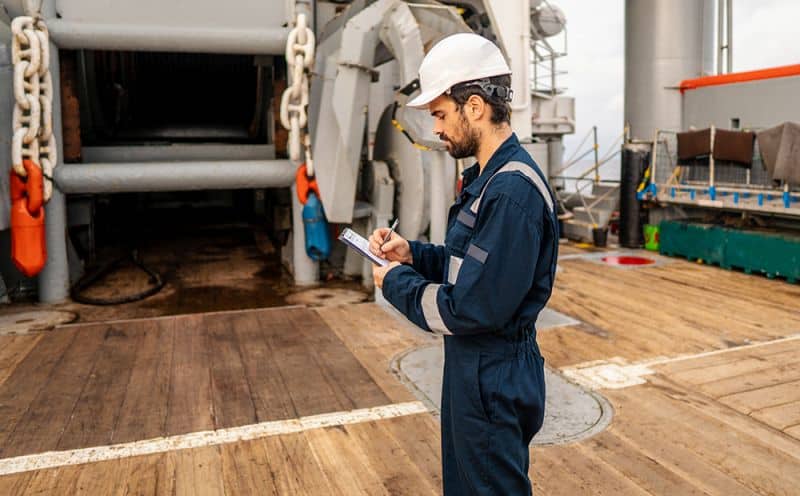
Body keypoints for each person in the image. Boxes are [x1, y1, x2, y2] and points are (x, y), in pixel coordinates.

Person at [369, 33, 559, 495]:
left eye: (440, 114)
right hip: (477, 367)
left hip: (492, 373)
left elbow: (469, 308)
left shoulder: (510, 194)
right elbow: (467, 268)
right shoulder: (489, 182)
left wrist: (395, 282)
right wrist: (412, 254)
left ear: (474, 107)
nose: (436, 127)